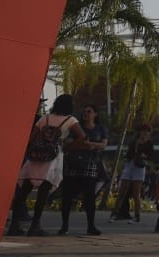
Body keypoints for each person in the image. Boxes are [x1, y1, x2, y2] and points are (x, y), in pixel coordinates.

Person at [8, 94, 86, 237]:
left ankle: (14, 225)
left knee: (23, 191)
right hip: (52, 159)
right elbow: (82, 137)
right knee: (43, 192)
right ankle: (35, 226)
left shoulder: (45, 118)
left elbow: (31, 138)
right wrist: (66, 147)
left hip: (35, 157)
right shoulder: (70, 120)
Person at [56, 103, 108, 236]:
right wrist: (85, 145)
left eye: (89, 111)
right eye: (85, 111)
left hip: (90, 165)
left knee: (90, 197)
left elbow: (103, 145)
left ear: (95, 114)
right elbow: (67, 145)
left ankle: (91, 226)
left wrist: (90, 144)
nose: (86, 114)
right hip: (73, 164)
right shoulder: (76, 127)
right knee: (67, 197)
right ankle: (64, 226)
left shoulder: (100, 128)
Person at [113, 123, 153, 223]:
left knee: (136, 193)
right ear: (140, 132)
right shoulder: (134, 141)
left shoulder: (149, 144)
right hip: (130, 165)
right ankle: (114, 213)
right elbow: (128, 154)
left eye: (147, 131)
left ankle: (137, 216)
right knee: (122, 191)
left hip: (139, 167)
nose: (145, 133)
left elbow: (151, 157)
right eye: (143, 130)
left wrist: (144, 156)